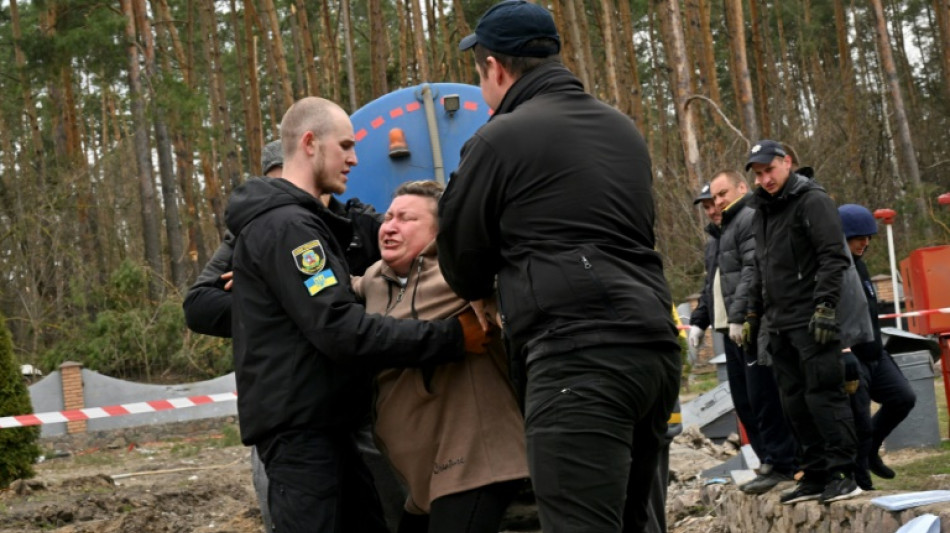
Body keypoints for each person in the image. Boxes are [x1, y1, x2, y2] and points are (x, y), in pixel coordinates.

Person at [438, 3, 682, 531]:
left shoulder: (498, 138)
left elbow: (459, 253)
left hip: (577, 360)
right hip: (654, 350)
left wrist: (481, 289)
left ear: (494, 68)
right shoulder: (622, 129)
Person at [225, 97, 490, 533]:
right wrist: (453, 338)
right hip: (304, 438)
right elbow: (340, 330)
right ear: (310, 143)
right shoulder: (290, 228)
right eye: (345, 146)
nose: (353, 158)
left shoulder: (304, 223)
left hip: (327, 429)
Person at [182, 140, 406, 532]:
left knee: (383, 508)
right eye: (275, 185)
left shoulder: (357, 226)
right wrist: (277, 302)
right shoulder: (257, 230)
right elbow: (198, 305)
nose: (282, 196)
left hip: (357, 402)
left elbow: (398, 285)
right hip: (293, 406)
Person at [351, 180, 528, 533]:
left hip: (477, 463)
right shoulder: (375, 278)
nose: (389, 226)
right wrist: (263, 275)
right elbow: (333, 289)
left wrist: (488, 295)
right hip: (424, 478)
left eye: (406, 218)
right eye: (388, 217)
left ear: (438, 232)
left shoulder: (461, 277)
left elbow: (512, 281)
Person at [743, 139, 861, 505]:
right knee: (793, 402)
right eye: (759, 174)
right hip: (779, 325)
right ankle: (815, 473)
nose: (765, 179)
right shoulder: (762, 210)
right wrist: (752, 312)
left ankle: (844, 473)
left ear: (787, 162)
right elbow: (761, 267)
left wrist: (825, 305)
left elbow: (833, 257)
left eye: (770, 170)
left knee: (824, 394)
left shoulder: (812, 201)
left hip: (813, 321)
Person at [708, 170, 797, 495]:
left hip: (749, 326)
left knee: (763, 398)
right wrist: (703, 319)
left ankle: (782, 462)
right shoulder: (721, 231)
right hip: (729, 328)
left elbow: (751, 269)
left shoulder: (746, 218)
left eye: (722, 193)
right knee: (745, 402)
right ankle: (769, 462)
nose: (717, 202)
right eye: (713, 198)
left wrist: (739, 316)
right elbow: (714, 284)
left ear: (742, 188)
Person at [838, 203, 916, 490]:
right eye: (859, 238)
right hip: (851, 354)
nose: (865, 243)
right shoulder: (834, 268)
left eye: (869, 237)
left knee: (903, 398)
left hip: (875, 351)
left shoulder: (862, 265)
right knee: (859, 423)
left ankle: (871, 452)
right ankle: (860, 483)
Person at [687, 182, 721, 357]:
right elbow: (710, 287)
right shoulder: (712, 244)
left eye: (713, 204)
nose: (711, 211)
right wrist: (699, 322)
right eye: (706, 207)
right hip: (726, 330)